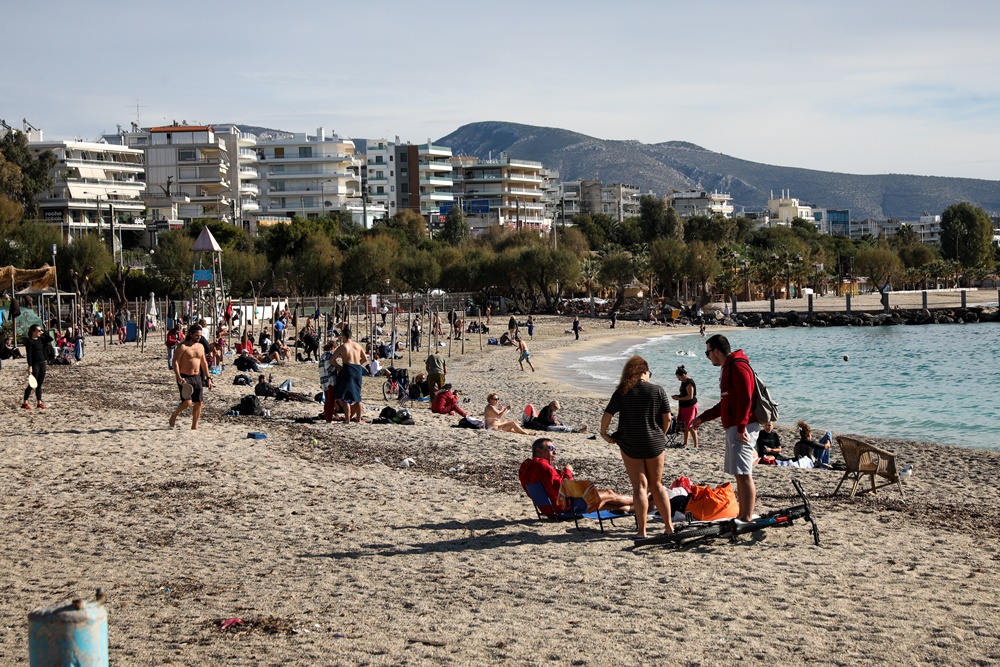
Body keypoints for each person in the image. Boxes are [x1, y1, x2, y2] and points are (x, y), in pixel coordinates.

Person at [599, 356, 674, 540]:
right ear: (644, 372)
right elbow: (668, 418)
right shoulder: (658, 390)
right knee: (657, 485)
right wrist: (661, 435)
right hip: (654, 443)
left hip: (630, 442)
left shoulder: (622, 391)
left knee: (639, 487)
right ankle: (669, 527)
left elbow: (608, 414)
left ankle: (642, 531)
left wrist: (603, 433)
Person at [692, 334, 759, 522]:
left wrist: (741, 426)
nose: (708, 357)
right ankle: (742, 514)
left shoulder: (737, 366)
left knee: (744, 473)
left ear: (716, 351)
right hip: (736, 426)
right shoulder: (728, 368)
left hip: (743, 427)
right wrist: (702, 418)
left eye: (708, 353)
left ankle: (746, 517)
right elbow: (725, 403)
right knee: (739, 473)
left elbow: (746, 398)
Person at [518, 438, 637, 516]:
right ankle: (643, 501)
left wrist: (559, 472)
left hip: (547, 509)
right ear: (539, 451)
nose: (555, 452)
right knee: (609, 493)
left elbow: (548, 486)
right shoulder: (542, 466)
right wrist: (568, 472)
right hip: (563, 507)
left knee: (607, 504)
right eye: (552, 449)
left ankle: (636, 508)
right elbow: (565, 488)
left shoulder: (526, 467)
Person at [169, 324, 213, 429]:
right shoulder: (182, 346)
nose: (199, 337)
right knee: (187, 402)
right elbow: (175, 362)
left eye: (200, 335)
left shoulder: (201, 346)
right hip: (184, 377)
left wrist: (208, 378)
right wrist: (179, 377)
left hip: (197, 376)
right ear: (191, 334)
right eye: (197, 335)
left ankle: (194, 426)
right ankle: (174, 414)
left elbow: (204, 363)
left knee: (198, 402)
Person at [333, 326, 368, 423]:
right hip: (357, 370)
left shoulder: (343, 347)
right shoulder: (358, 345)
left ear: (344, 336)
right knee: (357, 396)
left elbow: (332, 360)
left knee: (346, 397)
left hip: (347, 369)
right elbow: (365, 359)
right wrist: (357, 365)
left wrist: (338, 366)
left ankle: (347, 419)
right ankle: (359, 418)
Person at [22, 324, 51, 410]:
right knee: (32, 384)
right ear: (33, 332)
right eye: (38, 330)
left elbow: (50, 339)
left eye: (40, 330)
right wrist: (30, 366)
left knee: (39, 384)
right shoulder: (30, 342)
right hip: (35, 364)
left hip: (42, 363)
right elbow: (29, 355)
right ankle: (25, 402)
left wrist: (43, 332)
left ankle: (39, 402)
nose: (39, 332)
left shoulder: (40, 340)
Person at [671, 365, 699, 449]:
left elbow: (690, 396)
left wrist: (679, 398)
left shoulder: (689, 383)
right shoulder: (684, 382)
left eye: (679, 378)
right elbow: (684, 394)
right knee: (685, 425)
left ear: (683, 375)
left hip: (690, 406)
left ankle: (696, 446)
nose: (678, 380)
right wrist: (678, 396)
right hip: (684, 406)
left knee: (690, 426)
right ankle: (685, 444)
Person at [319, 340, 343, 423]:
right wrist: (336, 368)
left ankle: (327, 417)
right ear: (332, 348)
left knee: (327, 401)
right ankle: (329, 419)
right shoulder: (329, 355)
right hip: (330, 380)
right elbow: (328, 367)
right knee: (331, 401)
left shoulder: (323, 355)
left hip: (324, 380)